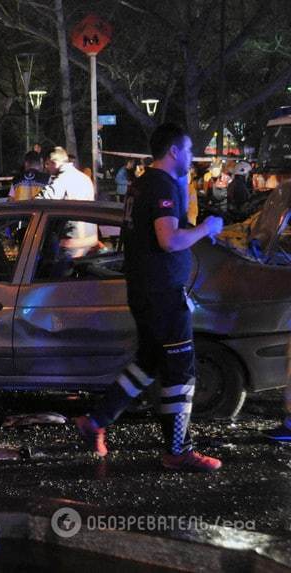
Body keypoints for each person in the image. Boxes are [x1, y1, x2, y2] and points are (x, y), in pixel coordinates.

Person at [75, 123, 225, 472]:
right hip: (161, 295)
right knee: (181, 371)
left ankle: (95, 421)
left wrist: (192, 232)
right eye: (188, 150)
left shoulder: (142, 183)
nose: (191, 157)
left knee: (148, 362)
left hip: (145, 290)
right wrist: (206, 229)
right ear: (173, 151)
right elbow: (168, 240)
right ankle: (178, 451)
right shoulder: (161, 185)